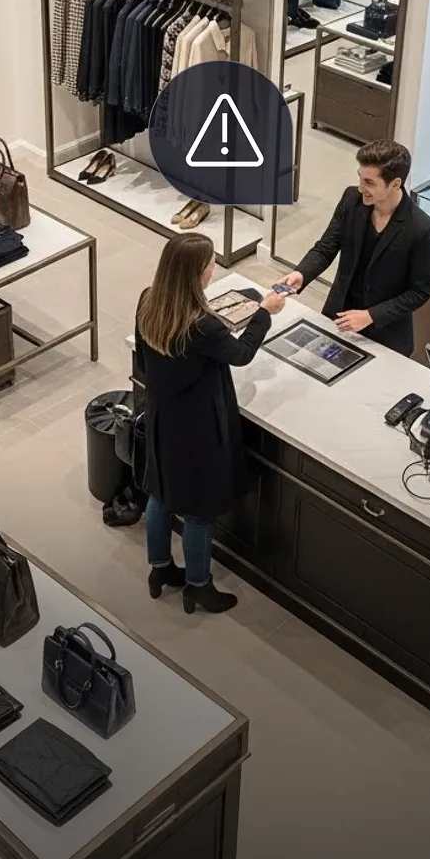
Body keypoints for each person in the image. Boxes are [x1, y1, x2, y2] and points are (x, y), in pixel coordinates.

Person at [135, 233, 286, 614]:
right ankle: (198, 587)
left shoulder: (149, 301)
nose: (214, 267)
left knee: (160, 496)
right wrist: (264, 312)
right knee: (200, 513)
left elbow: (145, 360)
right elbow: (241, 353)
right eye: (210, 264)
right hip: (197, 432)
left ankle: (160, 568)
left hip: (161, 421)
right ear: (199, 273)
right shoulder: (202, 326)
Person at [276, 140, 430, 356]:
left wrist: (370, 315)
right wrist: (301, 274)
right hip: (338, 317)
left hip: (386, 335)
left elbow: (419, 292)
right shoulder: (351, 200)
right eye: (360, 178)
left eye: (370, 182)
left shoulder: (421, 228)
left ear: (395, 184)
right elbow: (326, 247)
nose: (361, 188)